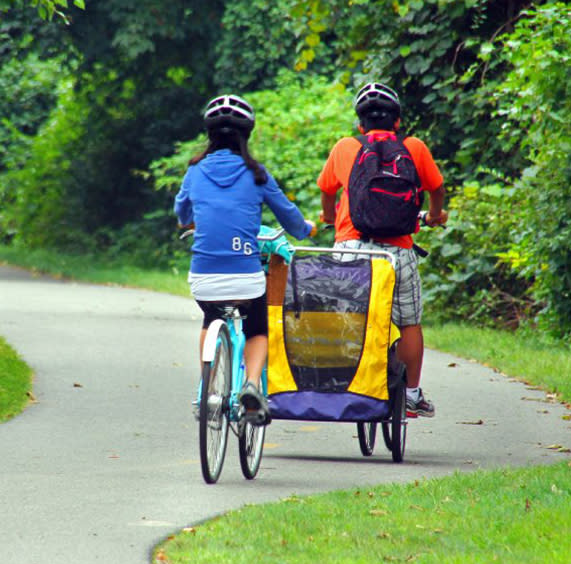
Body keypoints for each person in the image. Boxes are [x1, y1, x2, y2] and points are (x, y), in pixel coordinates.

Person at [175, 94, 315, 425]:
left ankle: (206, 388)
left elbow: (183, 215)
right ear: (246, 134)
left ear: (210, 135)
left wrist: (195, 219)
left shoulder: (194, 171)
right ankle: (252, 385)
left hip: (203, 280)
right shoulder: (257, 174)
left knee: (210, 319)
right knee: (256, 327)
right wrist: (306, 228)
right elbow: (292, 221)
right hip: (245, 279)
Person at [316, 82, 447, 417]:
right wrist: (434, 216)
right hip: (397, 253)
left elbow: (326, 191)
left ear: (360, 124)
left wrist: (331, 218)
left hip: (352, 249)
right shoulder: (414, 147)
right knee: (409, 323)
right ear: (398, 121)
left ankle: (341, 383)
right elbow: (437, 187)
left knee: (347, 317)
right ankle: (412, 394)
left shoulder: (346, 147)